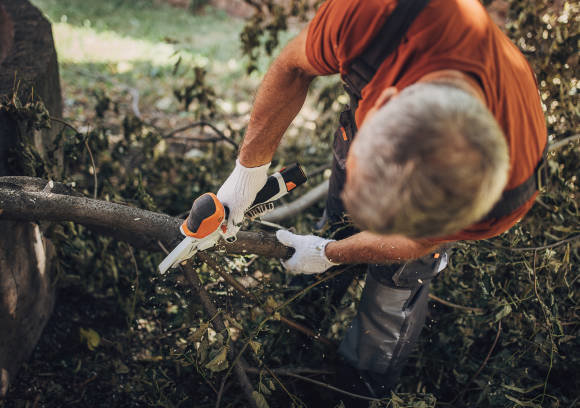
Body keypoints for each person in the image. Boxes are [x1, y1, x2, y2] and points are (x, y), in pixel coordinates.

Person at [215, 0, 547, 396]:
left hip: (460, 187)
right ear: (383, 101)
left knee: (395, 289)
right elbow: (293, 65)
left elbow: (414, 241)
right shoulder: (372, 15)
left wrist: (329, 253)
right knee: (338, 225)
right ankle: (292, 336)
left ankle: (357, 390)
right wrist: (246, 174)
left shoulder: (504, 198)